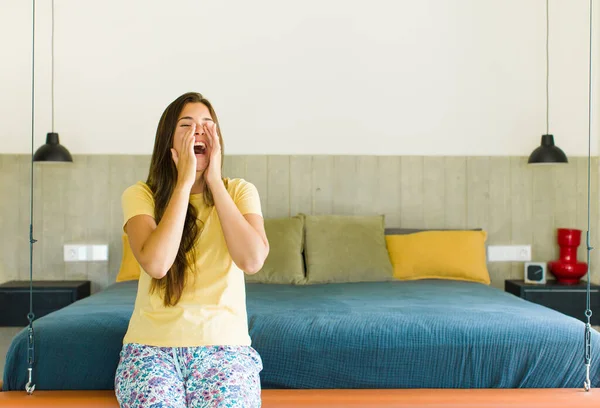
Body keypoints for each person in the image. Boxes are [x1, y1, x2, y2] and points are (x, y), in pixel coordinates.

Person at [114, 92, 269, 407]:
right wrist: (184, 184)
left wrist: (214, 183)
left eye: (207, 125)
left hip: (226, 350)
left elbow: (252, 260)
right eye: (187, 125)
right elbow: (157, 265)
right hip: (150, 350)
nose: (199, 131)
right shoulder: (141, 195)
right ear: (168, 139)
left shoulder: (240, 191)